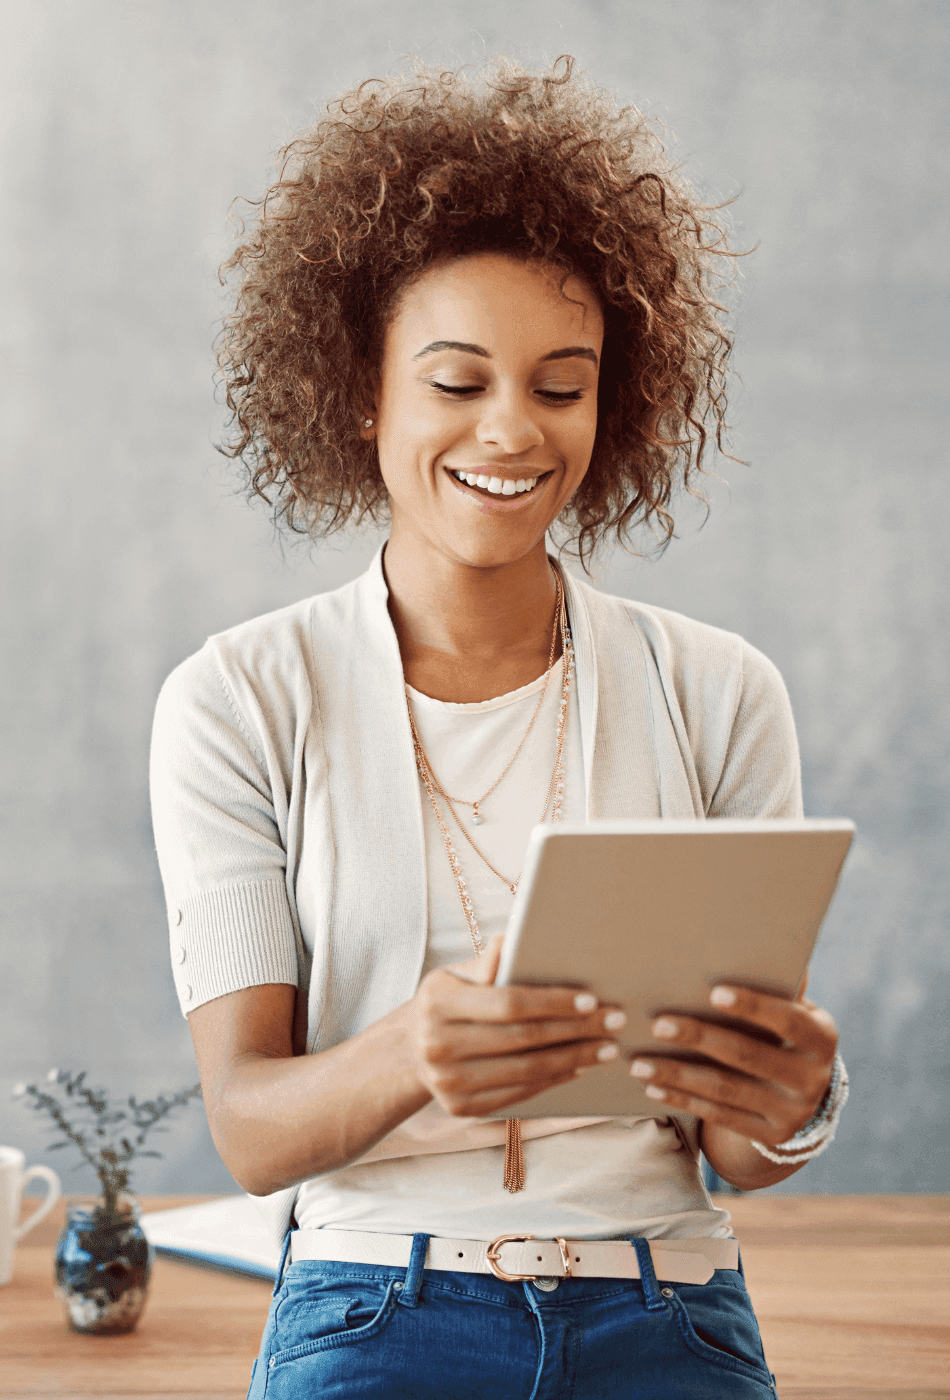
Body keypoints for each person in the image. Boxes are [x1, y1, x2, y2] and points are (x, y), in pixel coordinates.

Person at [150, 54, 847, 1399]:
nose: (513, 431)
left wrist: (791, 1106)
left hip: (667, 1299)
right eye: (456, 381)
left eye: (560, 384)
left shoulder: (720, 691)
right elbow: (247, 1132)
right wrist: (413, 1048)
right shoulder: (238, 700)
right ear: (363, 394)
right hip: (370, 1301)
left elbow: (736, 1152)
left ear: (613, 400)